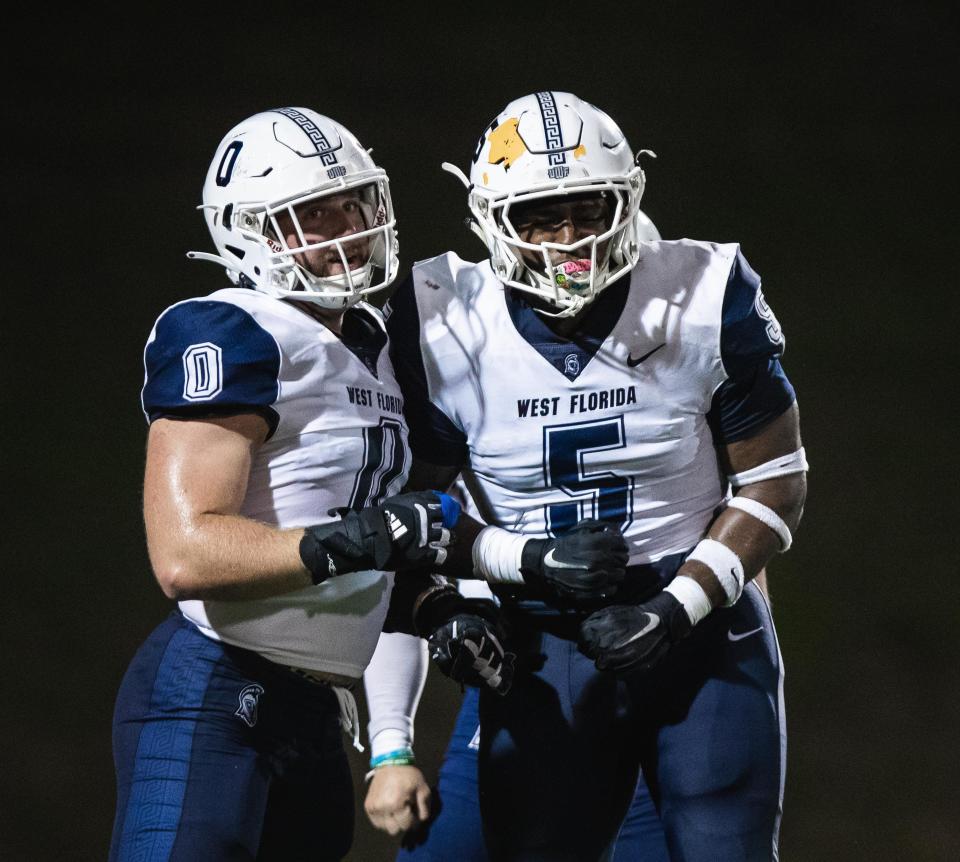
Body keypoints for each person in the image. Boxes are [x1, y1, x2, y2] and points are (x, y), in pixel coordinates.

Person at [380, 91, 808, 861]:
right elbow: (409, 515)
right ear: (488, 218)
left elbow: (777, 482)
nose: (569, 239)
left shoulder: (703, 293)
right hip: (542, 638)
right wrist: (466, 592)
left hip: (701, 626)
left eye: (587, 208)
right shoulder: (440, 317)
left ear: (629, 198)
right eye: (541, 216)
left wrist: (677, 610)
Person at [109, 106, 459, 861]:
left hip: (319, 710)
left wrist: (435, 607)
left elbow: (356, 543)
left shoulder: (385, 348)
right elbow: (186, 554)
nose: (342, 231)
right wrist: (360, 539)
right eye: (309, 215)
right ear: (247, 231)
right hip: (211, 690)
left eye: (352, 204)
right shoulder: (233, 329)